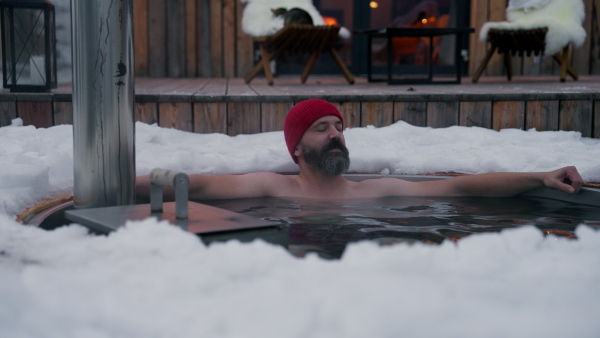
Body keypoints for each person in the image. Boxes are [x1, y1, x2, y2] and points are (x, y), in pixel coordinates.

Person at [136, 99, 584, 201]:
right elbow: (197, 185)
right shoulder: (273, 187)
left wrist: (539, 177)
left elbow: (460, 189)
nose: (335, 134)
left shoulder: (373, 192)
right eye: (320, 129)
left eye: (338, 127)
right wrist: (122, 186)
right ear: (296, 151)